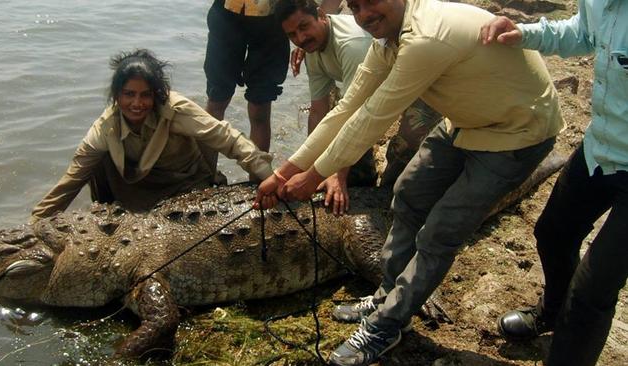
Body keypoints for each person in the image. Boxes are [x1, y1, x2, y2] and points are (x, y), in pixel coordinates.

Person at [255, 0, 565, 365]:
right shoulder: (387, 37)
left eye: (372, 2)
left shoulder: (424, 38)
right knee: (407, 194)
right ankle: (388, 291)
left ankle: (387, 324)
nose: (364, 14)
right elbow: (347, 107)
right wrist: (284, 172)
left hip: (517, 130)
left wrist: (317, 174)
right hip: (466, 119)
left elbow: (373, 116)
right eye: (355, 6)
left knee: (439, 232)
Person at [481, 1, 628, 365]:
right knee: (553, 232)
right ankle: (553, 310)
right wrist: (523, 33)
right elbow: (580, 32)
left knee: (592, 290)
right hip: (602, 147)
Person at [31, 49, 273, 221]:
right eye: (129, 94)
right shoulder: (106, 126)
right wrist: (34, 223)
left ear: (156, 95)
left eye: (145, 95)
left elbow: (228, 139)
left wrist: (269, 179)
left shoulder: (175, 109)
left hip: (185, 187)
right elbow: (71, 181)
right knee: (94, 160)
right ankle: (106, 216)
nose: (137, 103)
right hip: (133, 193)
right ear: (117, 96)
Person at [274, 0, 442, 215]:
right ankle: (367, 185)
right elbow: (319, 111)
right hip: (379, 87)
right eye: (292, 35)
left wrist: (336, 174)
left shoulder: (351, 44)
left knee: (404, 147)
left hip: (423, 80)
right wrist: (306, 166)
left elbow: (358, 113)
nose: (300, 38)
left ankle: (393, 205)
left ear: (321, 15)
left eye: (304, 27)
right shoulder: (311, 48)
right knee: (339, 142)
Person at [204, 0, 343, 153]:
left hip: (272, 24)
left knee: (260, 108)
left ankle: (257, 176)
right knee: (217, 100)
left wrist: (315, 29)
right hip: (227, 15)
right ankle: (205, 173)